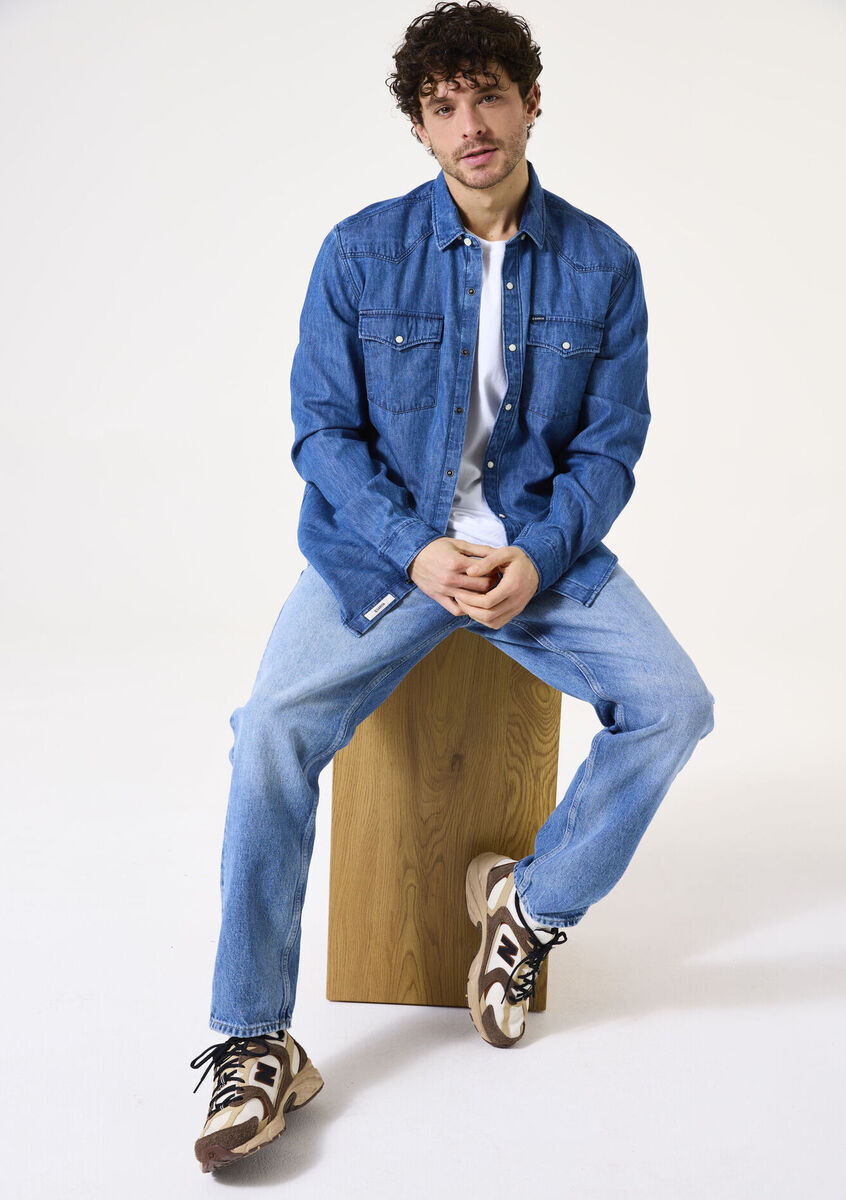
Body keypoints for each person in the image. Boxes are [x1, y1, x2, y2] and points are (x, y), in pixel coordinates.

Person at [189, 0, 715, 1173]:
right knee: (269, 729)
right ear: (420, 128)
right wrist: (414, 546)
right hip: (383, 558)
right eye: (444, 106)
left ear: (532, 103)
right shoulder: (358, 251)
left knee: (677, 705)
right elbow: (323, 433)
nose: (471, 124)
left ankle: (532, 905)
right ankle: (255, 1040)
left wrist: (539, 554)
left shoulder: (603, 263)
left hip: (536, 554)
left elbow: (610, 448)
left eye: (490, 96)